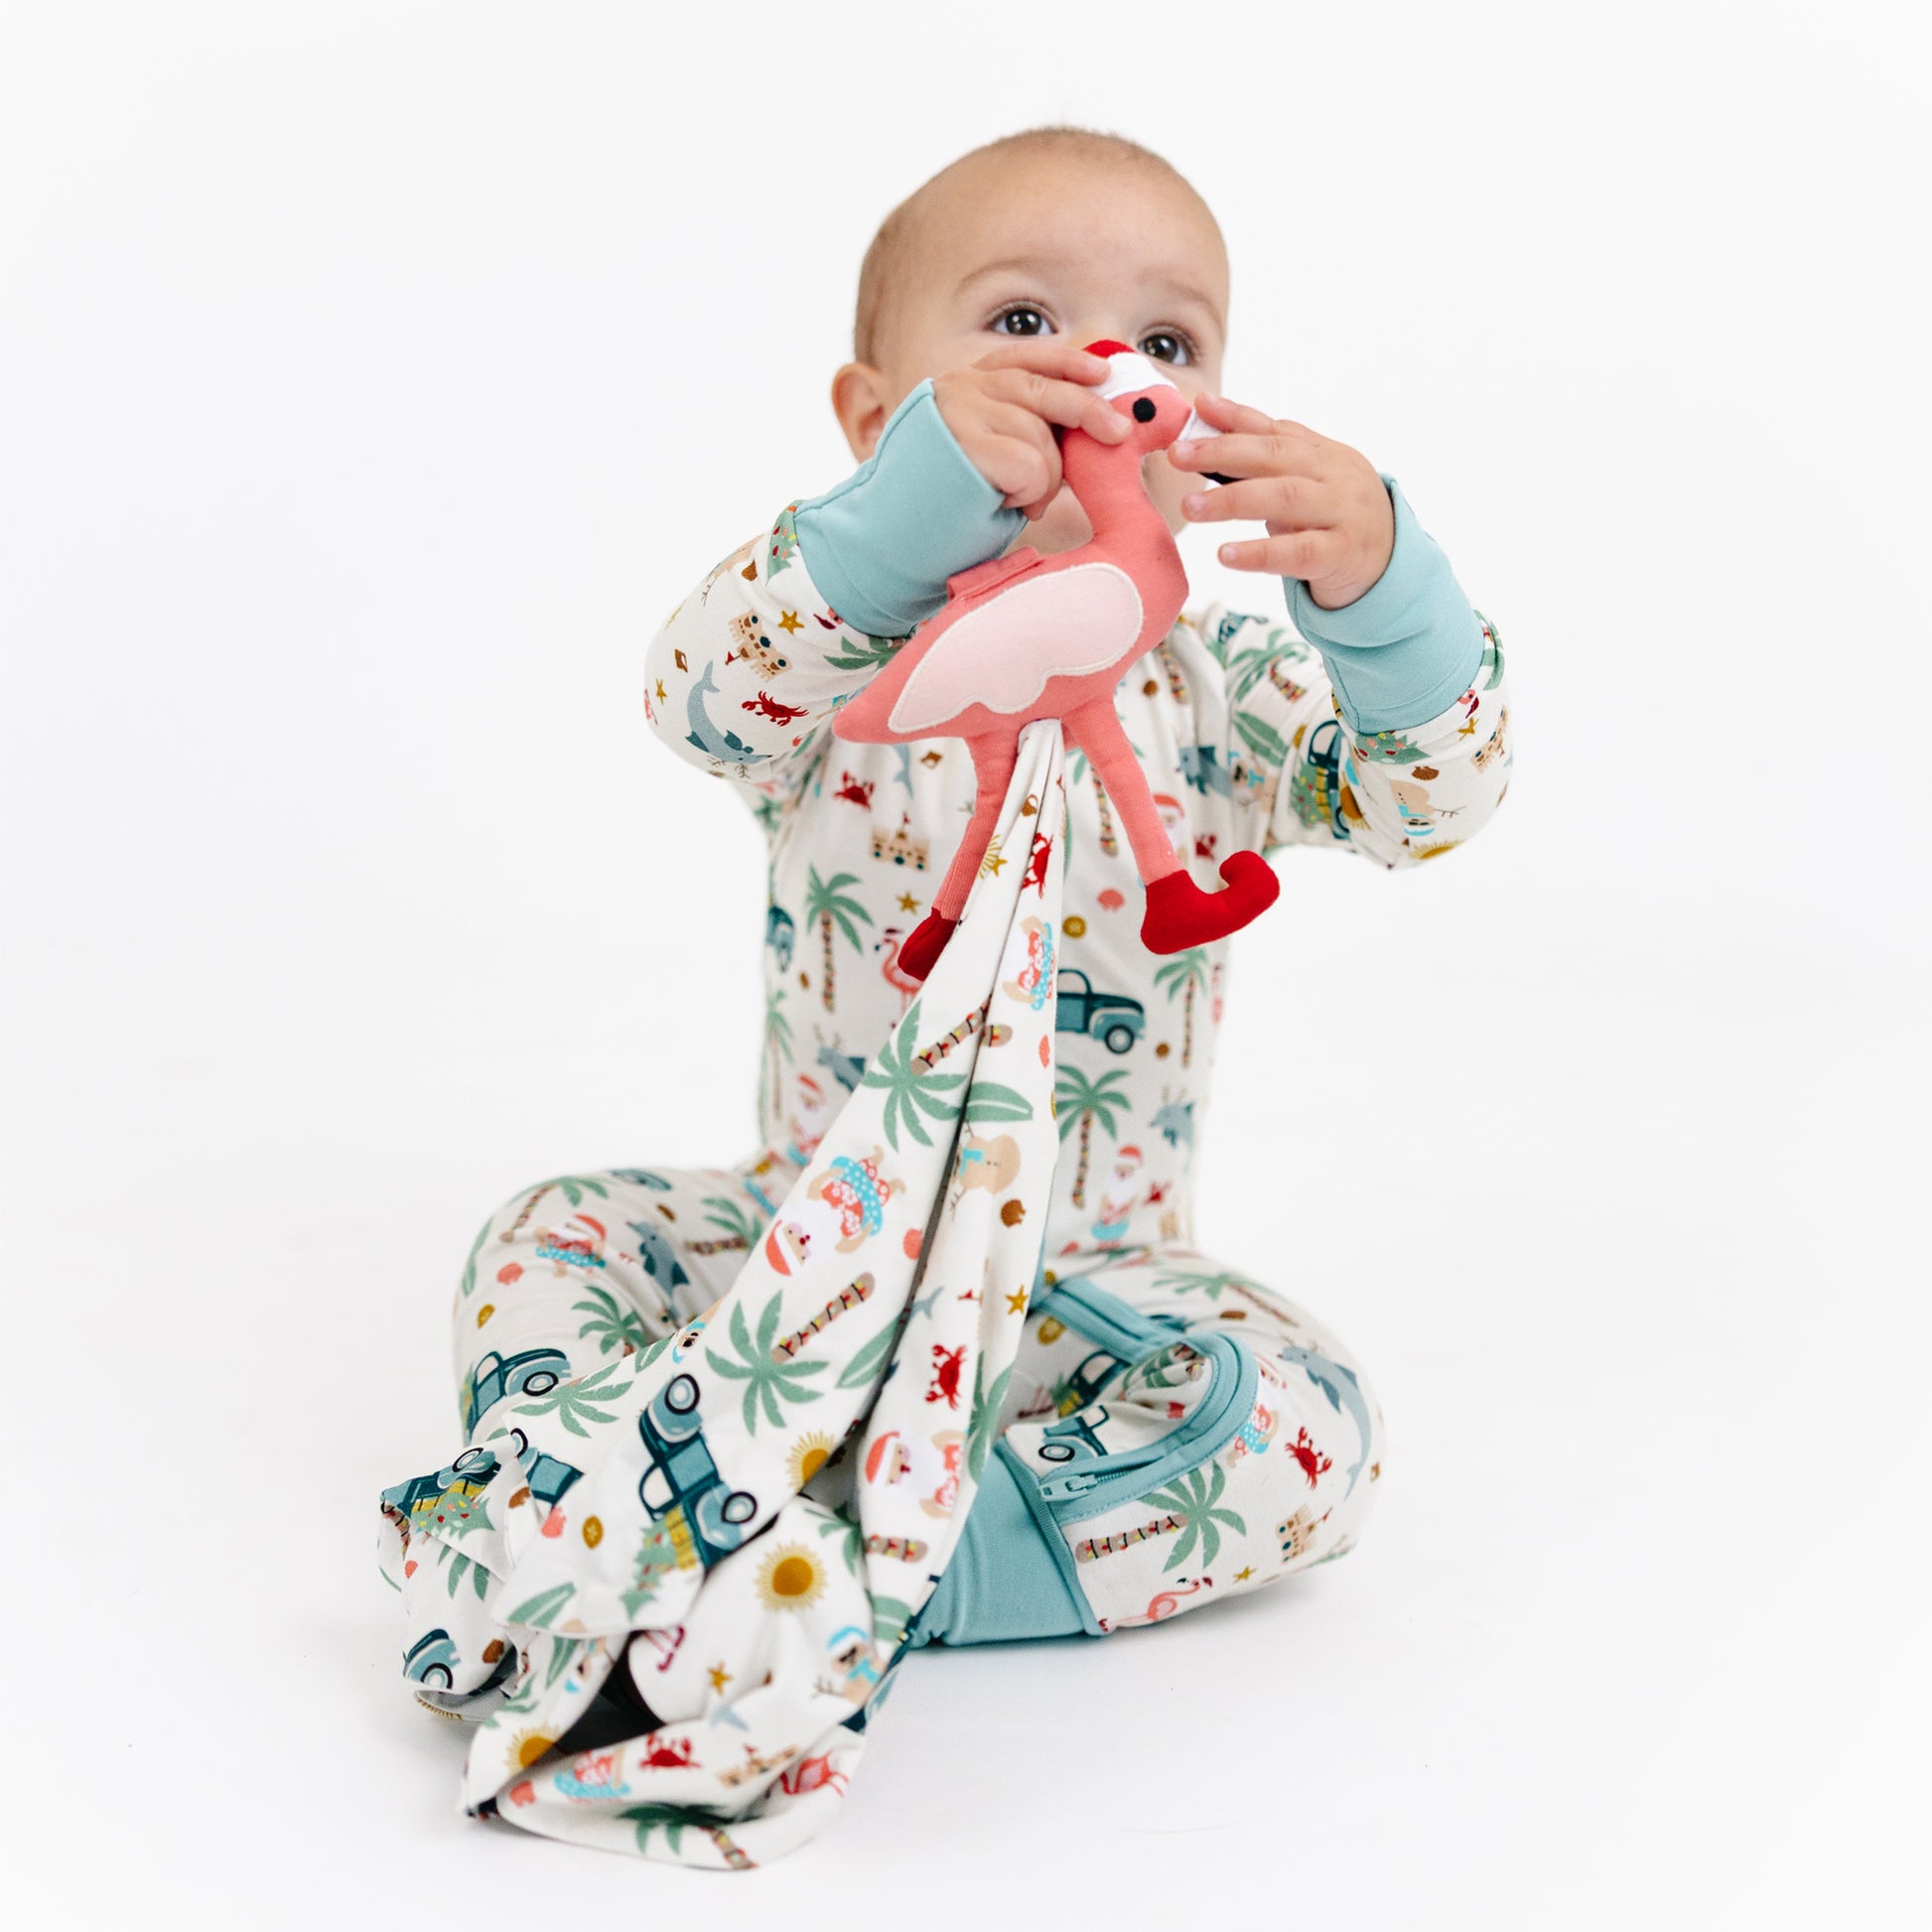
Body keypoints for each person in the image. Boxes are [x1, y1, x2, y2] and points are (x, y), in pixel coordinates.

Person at [429, 123, 1511, 1717]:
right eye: (1018, 322)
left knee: (1303, 1423)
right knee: (549, 1233)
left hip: (1089, 1293)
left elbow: (1432, 802)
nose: (1092, 368)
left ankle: (902, 1564)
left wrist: (1382, 594)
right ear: (878, 419)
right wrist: (897, 518)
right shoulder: (842, 665)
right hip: (796, 1255)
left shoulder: (1222, 691)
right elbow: (692, 695)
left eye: (1162, 341)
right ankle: (588, 1483)